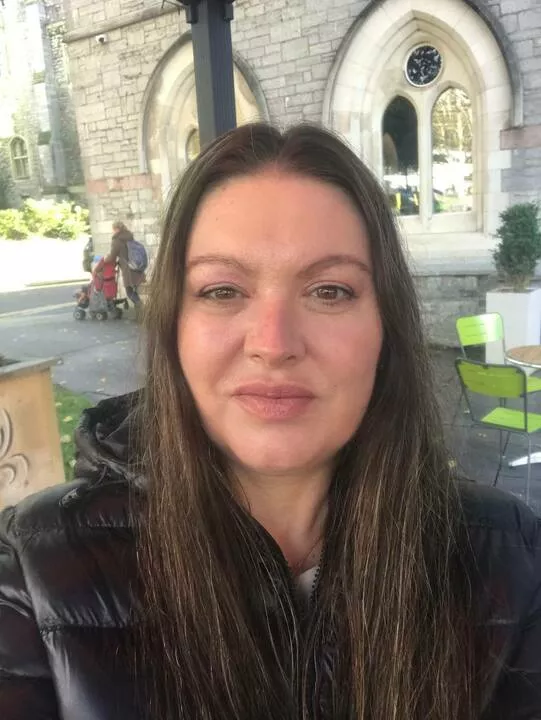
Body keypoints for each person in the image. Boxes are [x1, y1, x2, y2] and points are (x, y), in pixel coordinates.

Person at [0, 124, 540, 720]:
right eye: (222, 290)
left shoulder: (511, 558)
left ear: (385, 327)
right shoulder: (32, 571)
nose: (274, 344)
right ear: (174, 326)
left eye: (329, 291)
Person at [104, 219, 145, 308]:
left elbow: (112, 256)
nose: (112, 231)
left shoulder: (117, 240)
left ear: (116, 229)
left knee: (129, 292)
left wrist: (104, 259)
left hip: (128, 270)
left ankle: (143, 310)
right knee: (133, 291)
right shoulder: (129, 236)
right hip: (136, 267)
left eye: (113, 229)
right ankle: (140, 311)